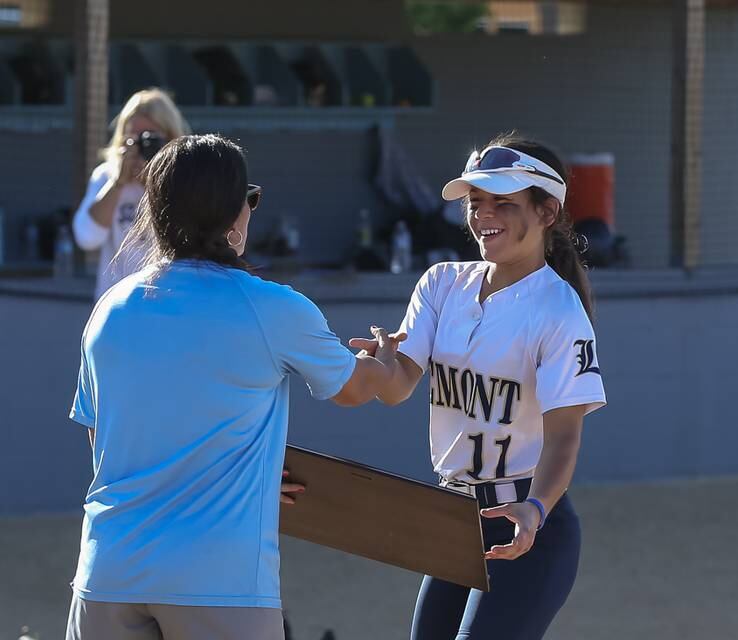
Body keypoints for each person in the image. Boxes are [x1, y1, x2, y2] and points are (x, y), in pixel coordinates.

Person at [65, 134, 400, 640]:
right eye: (250, 197)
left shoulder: (110, 307)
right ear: (235, 215)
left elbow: (103, 444)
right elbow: (355, 389)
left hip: (107, 572)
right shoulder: (271, 306)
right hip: (219, 580)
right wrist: (386, 361)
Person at [350, 134, 607, 640]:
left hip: (531, 523)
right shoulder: (442, 283)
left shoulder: (558, 310)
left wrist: (534, 509)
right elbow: (398, 386)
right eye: (476, 201)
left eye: (504, 203)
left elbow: (563, 438)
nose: (483, 214)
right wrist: (376, 366)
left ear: (547, 212)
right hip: (457, 518)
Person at [72, 88, 190, 299]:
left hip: (167, 300)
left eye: (150, 140)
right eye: (133, 140)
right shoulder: (107, 177)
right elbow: (86, 238)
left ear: (170, 139)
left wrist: (158, 179)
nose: (141, 148)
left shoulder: (184, 178)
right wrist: (118, 183)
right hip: (117, 301)